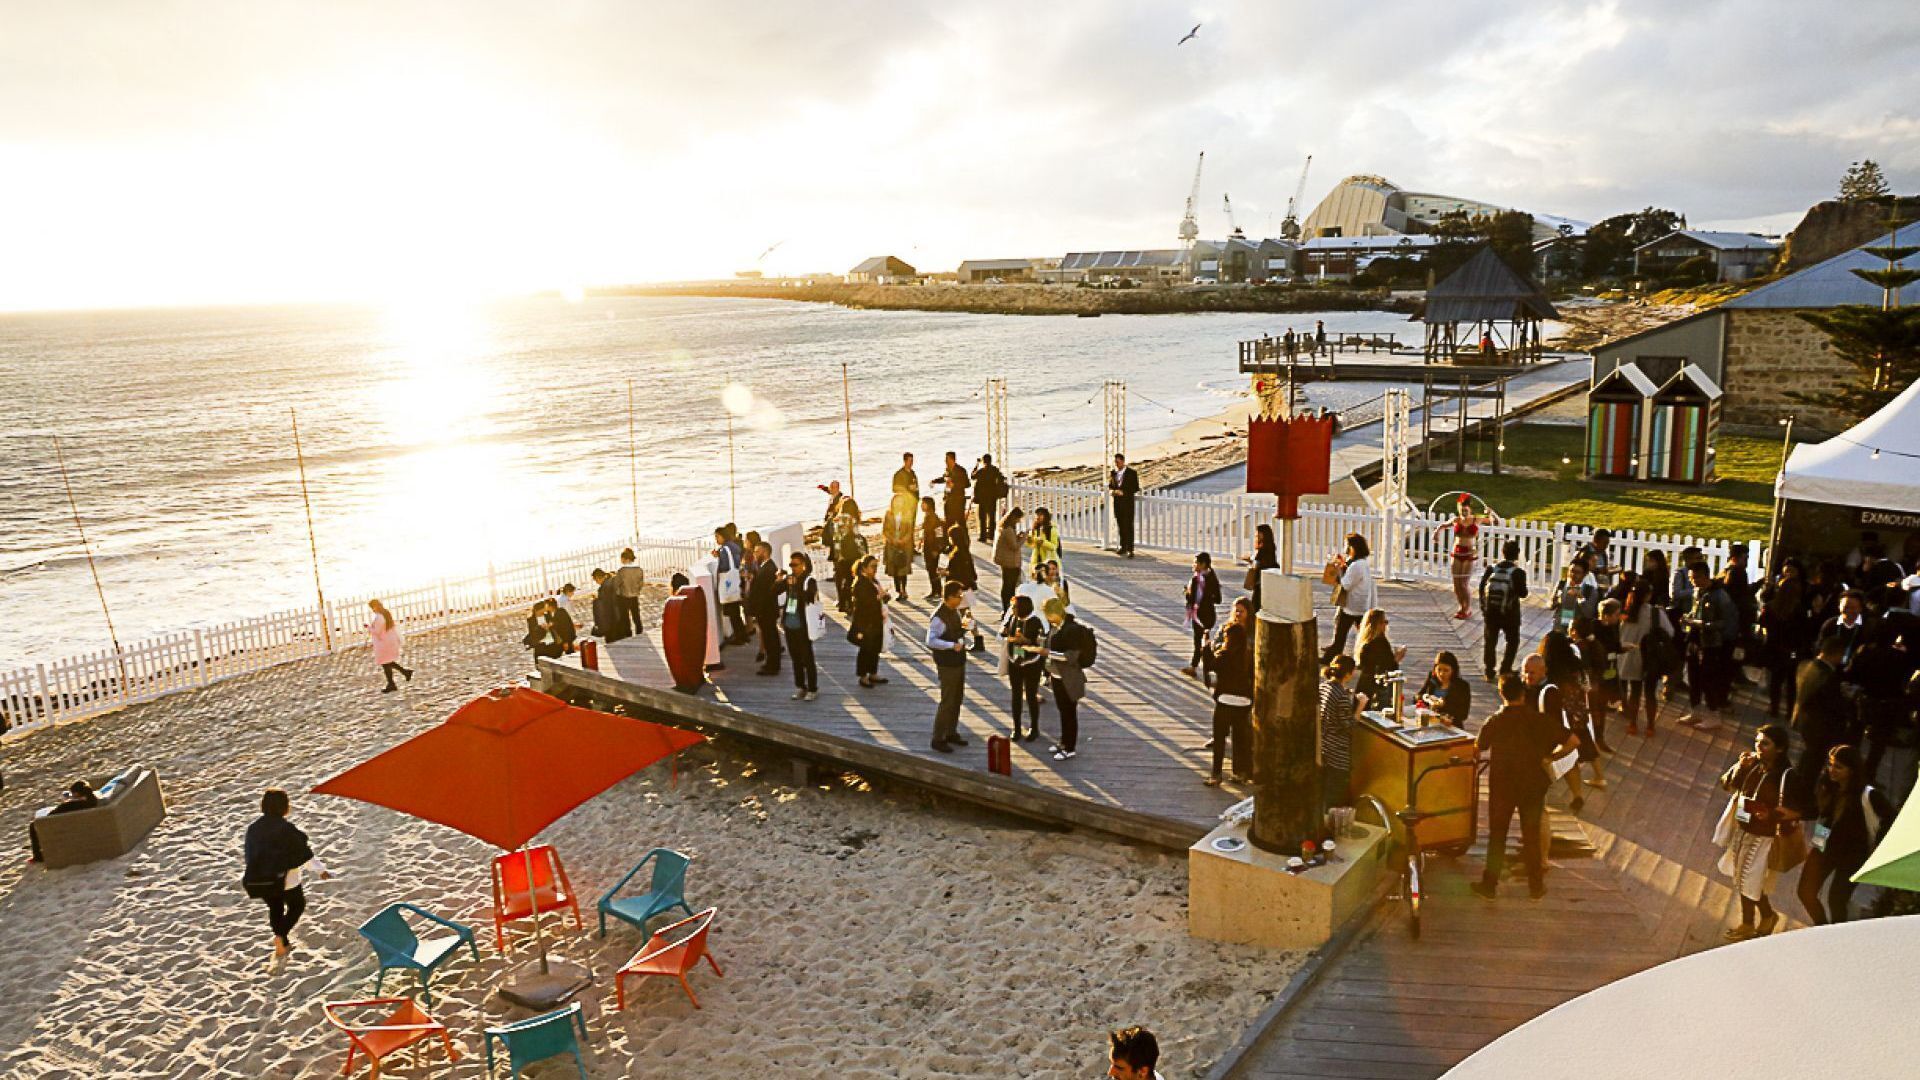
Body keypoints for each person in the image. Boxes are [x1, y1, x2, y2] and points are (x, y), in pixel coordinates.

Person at [1471, 674, 1572, 902]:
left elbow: (1478, 748)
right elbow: (1573, 741)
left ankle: (1489, 885)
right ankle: (1535, 887)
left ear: (1501, 693)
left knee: (1497, 836)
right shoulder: (1538, 719)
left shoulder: (1495, 721)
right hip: (1533, 784)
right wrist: (1550, 757)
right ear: (1523, 693)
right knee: (1531, 834)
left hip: (1503, 785)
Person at [1717, 724, 1798, 941]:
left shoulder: (1786, 776)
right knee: (1745, 878)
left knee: (1747, 878)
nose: (1759, 747)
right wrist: (1741, 767)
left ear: (1779, 748)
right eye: (1757, 742)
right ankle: (1767, 916)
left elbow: (1802, 810)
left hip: (1765, 836)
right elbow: (1730, 785)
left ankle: (1748, 923)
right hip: (1744, 827)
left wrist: (1770, 814)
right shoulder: (1754, 764)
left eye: (1765, 743)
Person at [1797, 744, 1892, 925]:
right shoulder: (1829, 785)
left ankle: (1837, 938)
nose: (1832, 770)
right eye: (1831, 764)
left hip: (1854, 853)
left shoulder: (1868, 795)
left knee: (1837, 899)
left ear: (1852, 770)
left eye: (1838, 767)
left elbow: (1890, 819)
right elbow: (1821, 815)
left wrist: (1877, 845)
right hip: (1824, 843)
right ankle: (1823, 928)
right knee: (1805, 892)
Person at [243, 788, 321, 958]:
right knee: (297, 906)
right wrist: (320, 870)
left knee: (275, 908)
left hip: (261, 879)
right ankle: (281, 935)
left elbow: (249, 854)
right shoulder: (286, 828)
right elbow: (302, 852)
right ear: (285, 807)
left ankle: (282, 941)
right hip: (287, 879)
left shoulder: (253, 829)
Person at [1524, 650, 1588, 814]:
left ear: (1543, 671)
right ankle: (1575, 796)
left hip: (1550, 734)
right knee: (1568, 765)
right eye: (1525, 671)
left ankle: (1576, 796)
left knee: (1565, 764)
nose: (1527, 676)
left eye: (1531, 672)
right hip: (1541, 734)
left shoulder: (1549, 691)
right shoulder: (1529, 687)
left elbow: (1554, 719)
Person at [1791, 633, 1852, 798]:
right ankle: (1803, 793)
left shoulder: (1805, 665)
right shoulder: (1828, 676)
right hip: (1820, 727)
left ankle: (1797, 785)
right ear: (1836, 654)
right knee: (1814, 761)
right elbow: (1833, 705)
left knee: (1807, 756)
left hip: (1804, 720)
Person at [1679, 563, 1738, 732]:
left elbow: (1726, 622)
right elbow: (1694, 611)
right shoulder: (1698, 593)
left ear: (1706, 576)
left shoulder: (1720, 596)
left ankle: (1713, 715)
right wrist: (1688, 618)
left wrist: (1701, 624)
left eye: (1696, 577)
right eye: (1691, 578)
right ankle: (1695, 711)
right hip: (1694, 640)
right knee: (1693, 677)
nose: (1693, 581)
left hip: (1711, 644)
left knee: (1708, 680)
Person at [1205, 598, 1255, 785]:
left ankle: (1216, 775)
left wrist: (1206, 648)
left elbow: (1211, 665)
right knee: (1241, 738)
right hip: (1244, 698)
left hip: (1226, 698)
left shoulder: (1225, 655)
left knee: (1220, 738)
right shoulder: (1248, 652)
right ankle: (1240, 772)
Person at [1617, 582, 1674, 736]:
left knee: (1634, 692)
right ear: (1648, 595)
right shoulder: (1655, 613)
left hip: (1630, 657)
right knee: (1650, 693)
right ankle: (1650, 726)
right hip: (1650, 658)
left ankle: (1632, 724)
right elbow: (1670, 632)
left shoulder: (1625, 612)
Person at [1044, 597, 1091, 761]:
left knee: (1069, 712)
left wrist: (1048, 654)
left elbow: (1070, 656)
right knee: (1063, 711)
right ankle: (1063, 742)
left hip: (1069, 678)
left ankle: (1070, 747)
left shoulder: (1071, 630)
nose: (1047, 618)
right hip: (1057, 676)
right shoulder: (1056, 627)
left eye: (1048, 614)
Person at [927, 581, 972, 752]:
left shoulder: (954, 612)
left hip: (958, 661)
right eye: (959, 596)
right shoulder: (939, 617)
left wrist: (964, 628)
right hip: (947, 663)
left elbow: (956, 632)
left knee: (957, 698)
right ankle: (938, 738)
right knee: (947, 700)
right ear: (950, 597)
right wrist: (951, 646)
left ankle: (951, 732)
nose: (961, 599)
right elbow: (930, 641)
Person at [1760, 559, 1807, 718]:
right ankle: (1789, 712)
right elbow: (1803, 631)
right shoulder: (1799, 609)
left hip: (1774, 648)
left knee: (1775, 681)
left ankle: (1774, 708)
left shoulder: (1771, 607)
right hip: (1792, 650)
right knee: (1791, 683)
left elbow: (1762, 623)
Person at [1479, 539, 1529, 680]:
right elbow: (1523, 593)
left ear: (1502, 552)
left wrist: (1484, 608)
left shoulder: (1491, 569)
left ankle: (1489, 670)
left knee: (1490, 641)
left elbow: (1482, 588)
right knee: (1513, 641)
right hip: (1510, 613)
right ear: (1517, 554)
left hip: (1491, 612)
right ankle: (1505, 669)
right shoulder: (1518, 572)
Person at [1318, 656, 1364, 808]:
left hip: (1324, 747)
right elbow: (1349, 725)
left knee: (1324, 792)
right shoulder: (1342, 696)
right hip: (1338, 753)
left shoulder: (1323, 687)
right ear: (1348, 674)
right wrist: (1360, 706)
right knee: (1335, 796)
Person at [1322, 533, 1376, 661]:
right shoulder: (1361, 563)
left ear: (1353, 547)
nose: (1345, 548)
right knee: (1364, 633)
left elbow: (1346, 584)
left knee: (1341, 633)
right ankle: (1368, 657)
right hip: (1360, 604)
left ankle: (1330, 657)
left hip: (1352, 606)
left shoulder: (1357, 566)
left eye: (1347, 545)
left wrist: (1339, 571)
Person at [1003, 594, 1048, 743]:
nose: (1012, 609)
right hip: (1014, 661)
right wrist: (1006, 633)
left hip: (1031, 663)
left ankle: (1034, 728)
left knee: (1031, 695)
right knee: (1015, 695)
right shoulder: (1013, 618)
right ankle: (1016, 727)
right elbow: (1005, 632)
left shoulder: (1036, 622)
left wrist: (1026, 641)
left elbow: (1040, 644)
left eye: (1014, 607)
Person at [779, 552, 819, 700]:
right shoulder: (790, 579)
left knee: (807, 658)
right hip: (790, 624)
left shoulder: (809, 580)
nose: (793, 568)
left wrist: (795, 587)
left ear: (803, 564)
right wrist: (779, 580)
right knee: (795, 658)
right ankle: (800, 686)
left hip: (804, 625)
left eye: (795, 565)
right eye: (791, 565)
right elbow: (774, 591)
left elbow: (810, 597)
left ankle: (812, 688)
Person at [27, 780, 99, 863]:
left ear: (77, 794)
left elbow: (51, 816)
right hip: (77, 822)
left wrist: (68, 802)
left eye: (73, 793)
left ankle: (37, 856)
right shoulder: (93, 801)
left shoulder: (69, 805)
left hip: (60, 824)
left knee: (33, 825)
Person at [850, 554, 891, 689]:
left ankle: (873, 672)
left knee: (875, 647)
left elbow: (880, 598)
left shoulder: (873, 581)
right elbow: (864, 603)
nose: (875, 569)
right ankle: (863, 676)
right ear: (864, 568)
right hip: (865, 622)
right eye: (873, 566)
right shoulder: (860, 583)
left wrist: (885, 596)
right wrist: (879, 597)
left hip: (877, 619)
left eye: (876, 566)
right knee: (865, 649)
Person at [944, 525, 986, 651]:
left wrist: (945, 573)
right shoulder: (965, 552)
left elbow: (955, 573)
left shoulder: (957, 554)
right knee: (965, 614)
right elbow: (971, 572)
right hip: (967, 587)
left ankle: (969, 637)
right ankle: (975, 639)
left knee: (963, 615)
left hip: (959, 590)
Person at [1443, 495, 1486, 620]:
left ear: (1470, 510)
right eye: (1462, 510)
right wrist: (1436, 533)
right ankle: (1461, 606)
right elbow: (1443, 525)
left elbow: (1496, 520)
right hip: (1456, 552)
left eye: (1466, 510)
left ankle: (1467, 608)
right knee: (1456, 584)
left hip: (1469, 553)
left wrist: (1490, 512)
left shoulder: (1476, 519)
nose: (1464, 513)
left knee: (1463, 584)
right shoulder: (1456, 520)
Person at [1181, 552, 1222, 678]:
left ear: (1203, 564)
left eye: (1196, 562)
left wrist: (1186, 592)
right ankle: (1207, 663)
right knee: (1205, 640)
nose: (1193, 565)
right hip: (1210, 615)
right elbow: (1218, 599)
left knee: (1198, 641)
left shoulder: (1196, 579)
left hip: (1199, 616)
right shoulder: (1212, 576)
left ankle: (1194, 667)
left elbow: (1192, 600)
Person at [1353, 609, 1406, 706]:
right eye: (1384, 622)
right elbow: (1387, 667)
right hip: (1378, 688)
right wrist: (1398, 657)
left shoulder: (1365, 642)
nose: (1386, 625)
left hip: (1364, 684)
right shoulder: (1379, 642)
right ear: (1377, 624)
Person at [746, 541, 783, 676]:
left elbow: (765, 592)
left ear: (765, 552)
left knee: (770, 638)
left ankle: (773, 665)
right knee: (769, 637)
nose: (755, 554)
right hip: (766, 610)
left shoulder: (768, 569)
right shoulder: (765, 567)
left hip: (766, 610)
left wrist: (757, 610)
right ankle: (771, 663)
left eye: (757, 551)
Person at [367, 600, 413, 693]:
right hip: (389, 640)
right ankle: (403, 674)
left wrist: (368, 627)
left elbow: (377, 631)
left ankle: (393, 683)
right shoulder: (385, 613)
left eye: (372, 607)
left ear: (375, 607)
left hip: (384, 642)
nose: (372, 610)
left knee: (385, 663)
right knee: (387, 662)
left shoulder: (379, 617)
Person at [1418, 650, 1472, 728]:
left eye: (1446, 670)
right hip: (1429, 723)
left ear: (1453, 670)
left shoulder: (1462, 686)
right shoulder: (1432, 679)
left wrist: (1444, 707)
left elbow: (1463, 714)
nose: (1441, 674)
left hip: (1451, 726)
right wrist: (1426, 698)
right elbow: (1418, 696)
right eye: (1439, 670)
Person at [830, 506, 868, 614]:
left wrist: (838, 557)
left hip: (844, 560)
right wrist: (864, 557)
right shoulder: (854, 526)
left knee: (844, 583)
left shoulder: (838, 525)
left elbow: (836, 543)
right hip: (854, 559)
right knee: (852, 582)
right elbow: (860, 544)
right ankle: (852, 605)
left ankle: (844, 605)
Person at [992, 506, 1026, 615]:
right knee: (1009, 587)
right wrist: (1024, 538)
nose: (1019, 521)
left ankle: (1007, 607)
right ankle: (1008, 608)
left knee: (1007, 585)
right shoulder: (1008, 530)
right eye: (1018, 519)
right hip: (1010, 563)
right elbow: (1014, 546)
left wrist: (1018, 537)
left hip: (1006, 561)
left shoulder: (1004, 527)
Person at [1551, 557, 1599, 632]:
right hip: (1559, 627)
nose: (1573, 574)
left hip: (1577, 630)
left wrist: (1580, 597)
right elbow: (1551, 605)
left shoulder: (1590, 590)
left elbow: (1589, 613)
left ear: (1585, 574)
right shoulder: (1561, 584)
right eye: (1571, 571)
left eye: (1577, 572)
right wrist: (1553, 602)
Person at [1242, 523, 1279, 612]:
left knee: (1256, 606)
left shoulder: (1263, 548)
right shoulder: (1271, 546)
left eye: (1259, 533)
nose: (1257, 535)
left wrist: (1250, 561)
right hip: (1267, 580)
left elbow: (1258, 564)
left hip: (1260, 581)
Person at [1109, 453, 1140, 557]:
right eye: (1115, 462)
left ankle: (1130, 549)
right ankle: (1123, 547)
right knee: (1121, 526)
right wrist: (1114, 492)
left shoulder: (1132, 473)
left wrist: (1124, 492)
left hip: (1127, 504)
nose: (1116, 464)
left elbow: (1135, 488)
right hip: (1117, 504)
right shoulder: (1113, 473)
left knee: (1128, 526)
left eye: (1118, 462)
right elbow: (1111, 486)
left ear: (1122, 461)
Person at [882, 498, 916, 597]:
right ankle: (898, 590)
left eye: (900, 501)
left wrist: (903, 540)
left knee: (903, 568)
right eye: (896, 502)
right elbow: (885, 530)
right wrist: (892, 539)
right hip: (891, 544)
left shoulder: (907, 514)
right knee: (894, 568)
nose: (898, 504)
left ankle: (904, 589)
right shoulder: (888, 514)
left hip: (904, 544)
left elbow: (910, 530)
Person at [590, 567, 632, 644]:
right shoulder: (613, 582)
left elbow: (606, 606)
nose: (596, 582)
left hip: (613, 621)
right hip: (622, 617)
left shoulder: (604, 588)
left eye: (595, 580)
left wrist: (596, 600)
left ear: (598, 578)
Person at [933, 450, 970, 533]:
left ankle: (964, 541)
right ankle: (951, 542)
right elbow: (944, 478)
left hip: (958, 500)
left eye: (947, 459)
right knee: (949, 522)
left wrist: (955, 485)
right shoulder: (948, 470)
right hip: (948, 499)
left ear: (952, 459)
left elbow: (967, 484)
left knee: (960, 521)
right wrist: (934, 481)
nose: (945, 461)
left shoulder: (960, 470)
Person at [972, 454, 1006, 542]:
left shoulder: (981, 471)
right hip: (992, 496)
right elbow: (1001, 477)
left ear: (983, 461)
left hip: (982, 497)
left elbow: (972, 476)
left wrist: (976, 465)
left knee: (982, 517)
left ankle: (983, 536)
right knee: (992, 516)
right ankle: (991, 535)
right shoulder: (994, 470)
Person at [615, 547, 647, 634]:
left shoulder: (621, 571)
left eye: (621, 558)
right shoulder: (639, 570)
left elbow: (617, 585)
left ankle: (628, 633)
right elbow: (641, 583)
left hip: (624, 597)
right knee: (636, 616)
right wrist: (637, 590)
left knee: (625, 617)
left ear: (625, 559)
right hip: (634, 595)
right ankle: (639, 632)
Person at [919, 495, 944, 600]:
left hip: (932, 547)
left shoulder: (933, 517)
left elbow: (939, 534)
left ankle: (937, 590)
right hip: (927, 546)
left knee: (932, 569)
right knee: (931, 569)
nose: (921, 505)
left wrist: (937, 548)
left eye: (923, 503)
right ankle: (936, 590)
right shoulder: (928, 516)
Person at [1026, 506, 1061, 571]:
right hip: (1037, 560)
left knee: (1049, 579)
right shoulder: (1036, 528)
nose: (1038, 517)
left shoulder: (1052, 529)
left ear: (1046, 516)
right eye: (1037, 515)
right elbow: (1032, 545)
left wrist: (1043, 542)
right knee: (1037, 579)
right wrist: (1028, 540)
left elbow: (1054, 546)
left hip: (1049, 562)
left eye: (1040, 514)